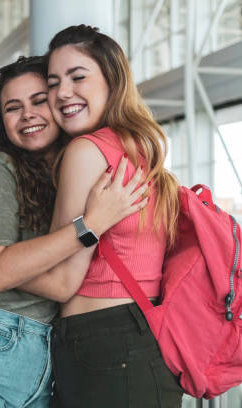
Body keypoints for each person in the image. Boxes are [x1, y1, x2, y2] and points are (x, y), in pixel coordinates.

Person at [0, 56, 148, 408]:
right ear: (0, 122)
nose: (27, 114)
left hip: (44, 351)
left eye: (39, 101)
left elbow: (34, 277)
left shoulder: (77, 170)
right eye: (13, 108)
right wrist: (90, 226)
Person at [42, 25, 184, 407]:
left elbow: (60, 281)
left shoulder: (86, 151)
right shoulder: (141, 148)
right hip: (143, 341)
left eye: (77, 77)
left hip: (102, 344)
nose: (62, 93)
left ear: (112, 81)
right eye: (53, 83)